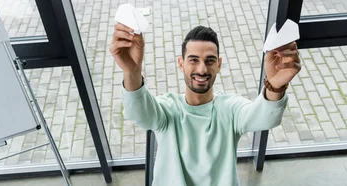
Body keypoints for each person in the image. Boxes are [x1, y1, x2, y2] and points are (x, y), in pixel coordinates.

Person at [110, 23, 301, 186]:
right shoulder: (167, 109)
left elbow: (264, 117)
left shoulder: (230, 109)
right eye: (193, 60)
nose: (202, 69)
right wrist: (132, 72)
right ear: (181, 63)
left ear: (218, 64)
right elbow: (139, 113)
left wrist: (275, 85)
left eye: (209, 61)